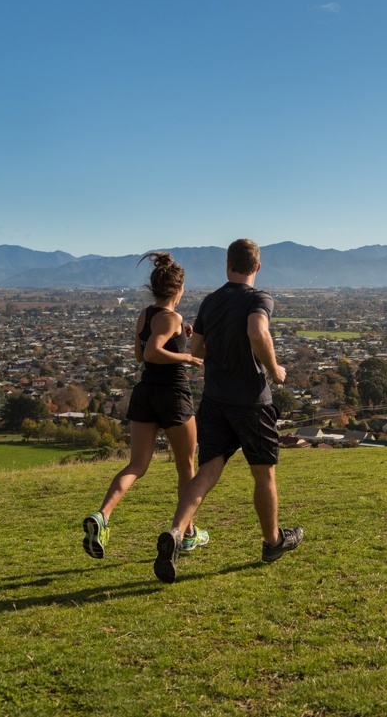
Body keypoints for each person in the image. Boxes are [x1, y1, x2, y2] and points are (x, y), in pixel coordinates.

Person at [153, 238, 302, 583]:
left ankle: (177, 533)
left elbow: (198, 348)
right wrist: (275, 369)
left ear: (227, 265)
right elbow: (256, 330)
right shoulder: (258, 298)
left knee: (207, 471)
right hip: (252, 402)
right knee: (264, 474)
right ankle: (272, 541)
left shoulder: (211, 301)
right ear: (258, 268)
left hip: (215, 400)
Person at [83, 252, 207, 559]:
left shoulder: (145, 315)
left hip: (146, 392)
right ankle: (187, 533)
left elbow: (140, 357)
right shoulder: (173, 317)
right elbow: (152, 352)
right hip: (173, 395)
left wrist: (179, 339)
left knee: (137, 465)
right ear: (179, 290)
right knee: (186, 466)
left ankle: (102, 516)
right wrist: (188, 357)